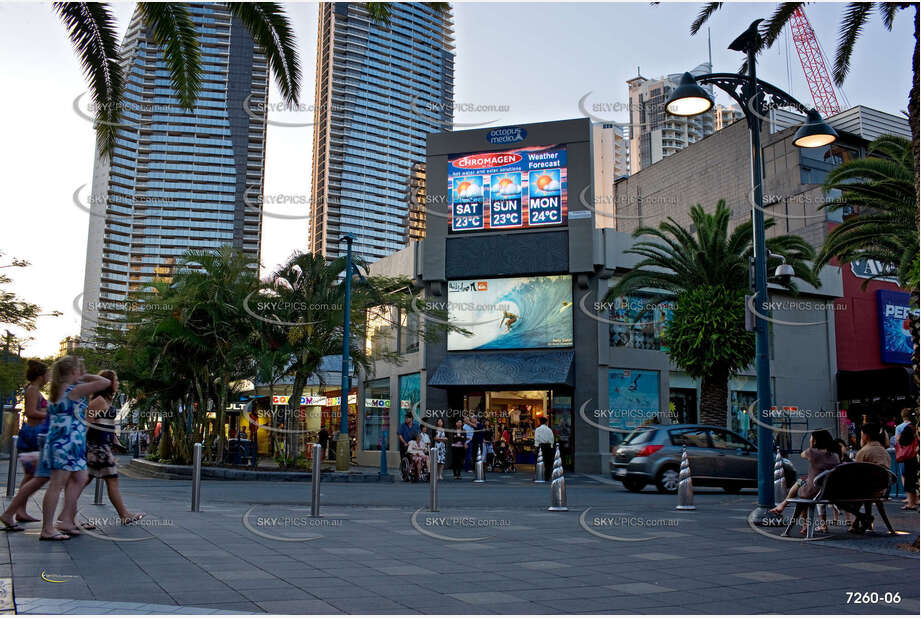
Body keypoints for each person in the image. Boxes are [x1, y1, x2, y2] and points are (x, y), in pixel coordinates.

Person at [36, 357, 111, 540]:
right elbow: (105, 382)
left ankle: (67, 519)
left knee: (80, 477)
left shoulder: (59, 391)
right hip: (66, 444)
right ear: (72, 372)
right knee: (57, 484)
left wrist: (80, 375)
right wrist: (85, 377)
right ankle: (47, 528)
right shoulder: (74, 390)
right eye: (79, 369)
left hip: (68, 443)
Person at [84, 370, 144, 525]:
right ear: (107, 383)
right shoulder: (98, 401)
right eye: (115, 380)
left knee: (85, 482)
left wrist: (116, 441)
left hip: (103, 447)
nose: (117, 383)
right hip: (97, 449)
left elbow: (109, 425)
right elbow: (86, 423)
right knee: (110, 480)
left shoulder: (108, 401)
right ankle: (124, 515)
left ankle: (67, 514)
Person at [1, 362, 51, 530]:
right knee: (36, 475)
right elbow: (30, 412)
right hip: (32, 435)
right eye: (47, 374)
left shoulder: (34, 390)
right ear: (40, 376)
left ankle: (19, 511)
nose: (49, 377)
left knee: (31, 475)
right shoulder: (33, 391)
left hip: (35, 433)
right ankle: (12, 512)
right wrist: (51, 413)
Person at [768, 429, 839, 533]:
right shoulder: (835, 456)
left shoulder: (812, 452)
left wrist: (812, 446)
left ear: (814, 440)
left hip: (813, 491)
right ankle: (783, 505)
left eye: (811, 437)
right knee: (802, 480)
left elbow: (802, 455)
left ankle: (804, 524)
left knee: (801, 489)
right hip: (830, 492)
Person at [895, 411, 918, 511]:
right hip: (916, 456)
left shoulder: (907, 428)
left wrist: (899, 438)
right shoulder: (916, 429)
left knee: (908, 479)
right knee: (915, 480)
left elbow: (901, 441)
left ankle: (911, 503)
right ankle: (915, 500)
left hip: (909, 457)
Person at [534, 416, 555, 482]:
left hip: (540, 446)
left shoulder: (538, 429)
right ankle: (547, 477)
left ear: (540, 422)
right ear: (546, 422)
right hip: (548, 446)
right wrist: (551, 446)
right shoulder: (549, 430)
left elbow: (536, 439)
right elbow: (552, 439)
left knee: (538, 462)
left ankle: (538, 476)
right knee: (548, 462)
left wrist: (536, 447)